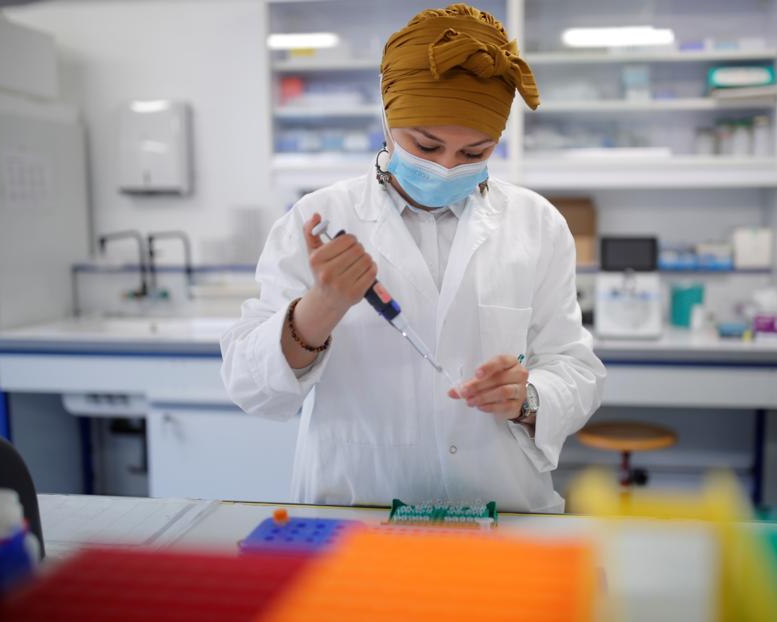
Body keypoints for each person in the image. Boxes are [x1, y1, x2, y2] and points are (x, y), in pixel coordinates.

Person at [221, 3, 605, 512]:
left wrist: (527, 398)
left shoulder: (536, 224)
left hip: (502, 513)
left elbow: (576, 370)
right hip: (357, 511)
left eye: (474, 153)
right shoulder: (319, 218)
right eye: (425, 145)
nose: (446, 167)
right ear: (387, 116)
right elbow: (251, 389)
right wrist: (321, 306)